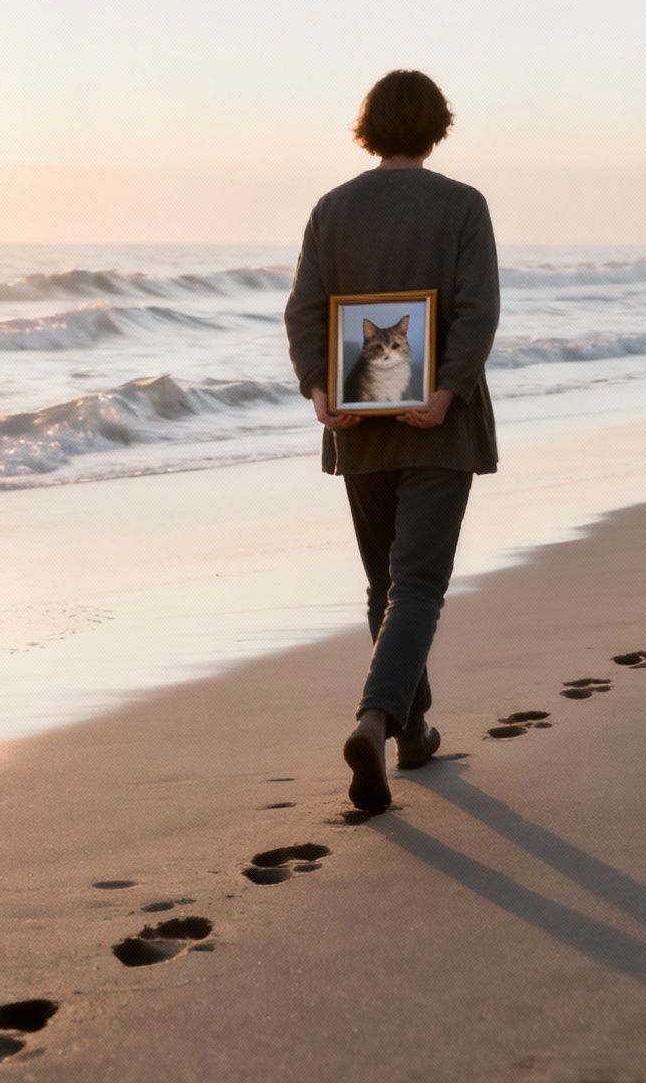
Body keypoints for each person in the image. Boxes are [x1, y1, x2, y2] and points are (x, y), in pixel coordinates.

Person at [282, 69, 501, 813]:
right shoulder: (463, 206)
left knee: (388, 585)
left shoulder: (332, 209)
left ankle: (413, 731)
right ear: (438, 125)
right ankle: (376, 720)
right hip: (438, 425)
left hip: (359, 424)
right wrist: (444, 393)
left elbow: (304, 312)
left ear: (369, 125)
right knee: (418, 585)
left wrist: (320, 388)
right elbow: (477, 313)